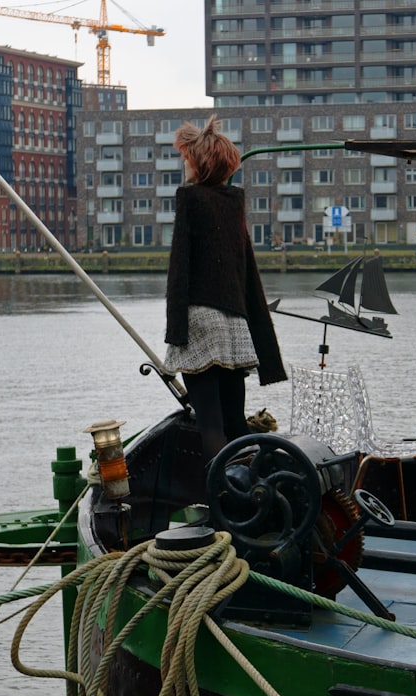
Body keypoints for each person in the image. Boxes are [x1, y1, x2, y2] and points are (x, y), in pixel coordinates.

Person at [164, 115, 286, 460]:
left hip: (201, 323)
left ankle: (220, 492)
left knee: (210, 425)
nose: (184, 163)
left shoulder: (189, 198)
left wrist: (175, 335)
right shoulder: (235, 204)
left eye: (187, 157)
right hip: (236, 326)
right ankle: (251, 483)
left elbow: (179, 270)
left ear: (199, 163)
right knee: (235, 422)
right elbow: (248, 273)